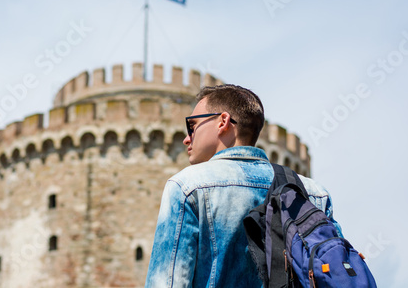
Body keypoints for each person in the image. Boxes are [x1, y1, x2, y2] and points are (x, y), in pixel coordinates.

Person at [145, 84, 341, 288]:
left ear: (222, 122)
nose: (186, 139)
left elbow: (166, 282)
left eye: (192, 126)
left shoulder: (187, 188)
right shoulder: (314, 194)